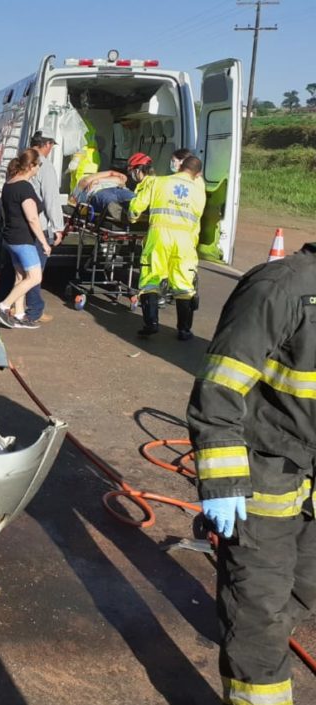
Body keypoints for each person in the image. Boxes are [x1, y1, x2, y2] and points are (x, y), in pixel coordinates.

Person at [187, 245, 316, 705]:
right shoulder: (279, 288)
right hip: (264, 481)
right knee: (258, 613)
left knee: (299, 595)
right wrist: (221, 483)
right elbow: (219, 389)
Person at [128, 155, 205, 340]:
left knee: (151, 278)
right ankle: (184, 330)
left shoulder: (157, 182)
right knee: (184, 285)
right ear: (198, 174)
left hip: (159, 236)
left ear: (180, 167)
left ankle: (151, 323)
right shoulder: (199, 191)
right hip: (185, 241)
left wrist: (133, 216)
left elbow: (136, 208)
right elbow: (197, 223)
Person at [0, 148, 52, 329]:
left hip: (10, 238)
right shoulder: (24, 187)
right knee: (35, 277)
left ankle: (19, 315)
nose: (38, 170)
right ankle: (2, 307)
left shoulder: (9, 184)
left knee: (21, 276)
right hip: (23, 240)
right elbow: (33, 219)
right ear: (31, 166)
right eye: (38, 166)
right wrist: (44, 243)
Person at [23, 130, 66, 324]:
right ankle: (34, 311)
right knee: (35, 271)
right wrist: (58, 227)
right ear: (47, 144)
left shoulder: (20, 160)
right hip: (37, 225)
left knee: (17, 269)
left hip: (18, 225)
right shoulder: (44, 166)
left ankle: (13, 307)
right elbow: (51, 199)